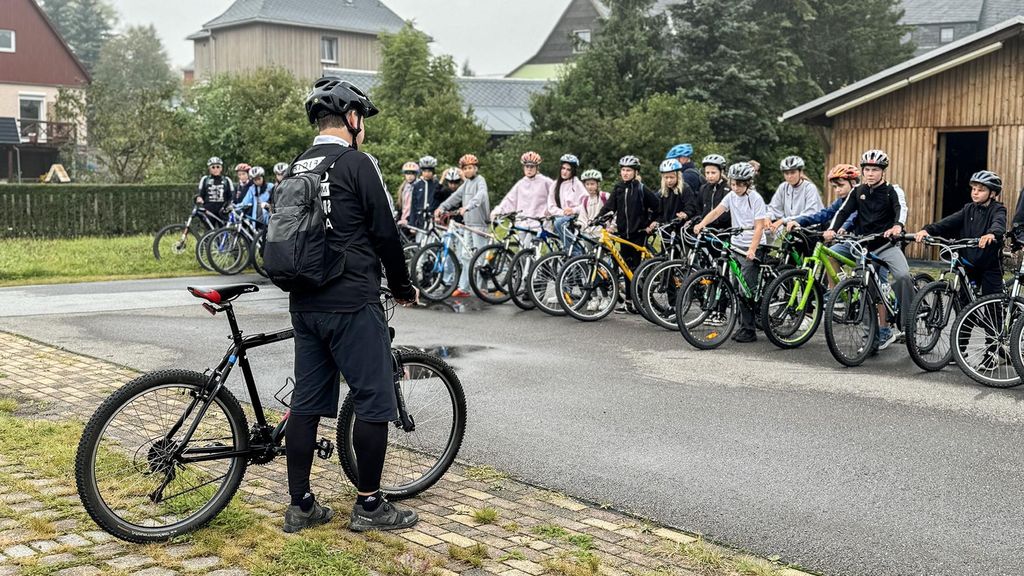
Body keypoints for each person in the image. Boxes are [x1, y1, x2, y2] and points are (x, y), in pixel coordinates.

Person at [285, 76, 418, 535]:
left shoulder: (295, 167)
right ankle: (369, 504)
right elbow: (385, 232)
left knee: (305, 402)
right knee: (373, 400)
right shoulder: (358, 164)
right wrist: (401, 285)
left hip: (304, 303)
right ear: (352, 118)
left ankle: (300, 505)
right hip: (352, 301)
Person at [825, 149, 911, 351]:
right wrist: (832, 229)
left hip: (885, 244)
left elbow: (901, 209)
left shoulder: (892, 190)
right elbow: (843, 211)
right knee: (866, 290)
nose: (870, 173)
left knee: (903, 276)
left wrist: (897, 225)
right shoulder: (858, 191)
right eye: (867, 169)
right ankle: (870, 338)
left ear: (883, 171)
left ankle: (908, 322)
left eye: (875, 169)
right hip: (862, 246)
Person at [692, 162, 769, 343]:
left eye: (740, 184)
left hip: (753, 246)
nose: (735, 188)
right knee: (737, 287)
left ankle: (749, 330)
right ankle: (744, 325)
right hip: (736, 244)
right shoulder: (731, 196)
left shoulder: (755, 198)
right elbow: (717, 211)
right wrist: (702, 223)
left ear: (748, 183)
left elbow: (759, 227)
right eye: (733, 183)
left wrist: (752, 249)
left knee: (746, 289)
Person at [915, 170, 1006, 296]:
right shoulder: (968, 208)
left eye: (981, 190)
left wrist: (992, 234)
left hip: (989, 265)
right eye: (973, 189)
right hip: (969, 263)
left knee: (993, 304)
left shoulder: (997, 209)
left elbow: (999, 223)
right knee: (965, 301)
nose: (975, 192)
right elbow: (947, 222)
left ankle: (995, 314)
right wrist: (928, 230)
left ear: (992, 193)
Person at [597, 155, 660, 313]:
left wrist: (650, 224)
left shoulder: (641, 189)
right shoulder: (618, 188)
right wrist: (597, 218)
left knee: (637, 268)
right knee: (626, 268)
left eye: (629, 170)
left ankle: (640, 300)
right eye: (623, 170)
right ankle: (629, 302)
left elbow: (658, 207)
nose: (625, 173)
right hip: (623, 234)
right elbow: (609, 207)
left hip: (639, 233)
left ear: (635, 172)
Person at [435, 154, 490, 297]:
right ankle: (464, 288)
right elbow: (454, 198)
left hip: (479, 224)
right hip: (468, 225)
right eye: (465, 168)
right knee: (466, 256)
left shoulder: (480, 180)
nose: (468, 171)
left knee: (480, 257)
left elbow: (481, 195)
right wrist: (441, 208)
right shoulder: (465, 184)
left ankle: (482, 288)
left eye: (471, 168)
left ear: (476, 169)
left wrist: (468, 206)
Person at [491, 151, 553, 240]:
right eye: (527, 166)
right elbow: (510, 200)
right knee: (522, 251)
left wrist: (550, 210)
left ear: (537, 167)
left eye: (532, 166)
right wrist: (498, 211)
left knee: (528, 249)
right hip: (522, 223)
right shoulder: (521, 183)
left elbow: (556, 196)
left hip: (538, 224)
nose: (529, 169)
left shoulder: (545, 182)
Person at [767, 155, 824, 233]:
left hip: (811, 230)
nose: (789, 176)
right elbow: (774, 208)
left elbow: (810, 213)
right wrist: (768, 217)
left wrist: (783, 220)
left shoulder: (809, 188)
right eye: (786, 173)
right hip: (792, 229)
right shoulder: (783, 187)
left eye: (793, 172)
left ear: (800, 172)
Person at [546, 154, 588, 247]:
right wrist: (563, 212)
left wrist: (573, 210)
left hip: (574, 218)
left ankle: (575, 252)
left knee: (559, 223)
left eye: (568, 170)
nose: (564, 172)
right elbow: (551, 206)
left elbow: (586, 204)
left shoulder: (577, 184)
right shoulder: (555, 185)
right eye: (563, 168)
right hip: (560, 216)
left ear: (573, 171)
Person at [649, 159, 699, 233]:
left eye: (671, 177)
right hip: (666, 230)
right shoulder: (662, 192)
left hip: (681, 230)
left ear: (678, 177)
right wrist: (656, 221)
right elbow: (659, 212)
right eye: (666, 177)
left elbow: (691, 206)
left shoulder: (685, 189)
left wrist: (685, 214)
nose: (669, 180)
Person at [408, 155, 443, 232]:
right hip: (420, 221)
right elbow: (413, 206)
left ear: (433, 172)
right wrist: (412, 224)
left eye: (429, 171)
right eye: (424, 171)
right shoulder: (417, 185)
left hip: (434, 221)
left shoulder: (437, 185)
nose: (427, 174)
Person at [698, 154, 731, 231]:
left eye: (713, 173)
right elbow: (698, 209)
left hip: (725, 231)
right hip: (706, 230)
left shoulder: (728, 188)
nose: (710, 176)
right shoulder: (703, 188)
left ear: (721, 172)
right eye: (707, 173)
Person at [396, 161, 419, 226]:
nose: (409, 176)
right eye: (407, 174)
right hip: (403, 220)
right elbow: (401, 206)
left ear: (416, 175)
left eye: (412, 174)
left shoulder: (419, 187)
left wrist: (410, 219)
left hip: (413, 220)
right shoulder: (403, 188)